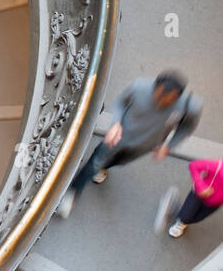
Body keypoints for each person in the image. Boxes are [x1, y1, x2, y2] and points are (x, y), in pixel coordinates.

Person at [57, 71, 202, 218]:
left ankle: (104, 168)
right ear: (155, 86)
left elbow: (187, 128)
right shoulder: (140, 87)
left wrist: (169, 145)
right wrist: (116, 123)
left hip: (144, 146)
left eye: (167, 101)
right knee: (94, 163)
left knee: (119, 161)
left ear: (178, 98)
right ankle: (72, 193)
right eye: (158, 97)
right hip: (119, 138)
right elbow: (121, 101)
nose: (160, 103)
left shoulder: (189, 106)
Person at [155, 157, 222, 239]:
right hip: (198, 195)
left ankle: (181, 216)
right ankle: (180, 220)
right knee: (185, 217)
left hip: (214, 204)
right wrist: (201, 186)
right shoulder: (218, 166)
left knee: (197, 218)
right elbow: (193, 165)